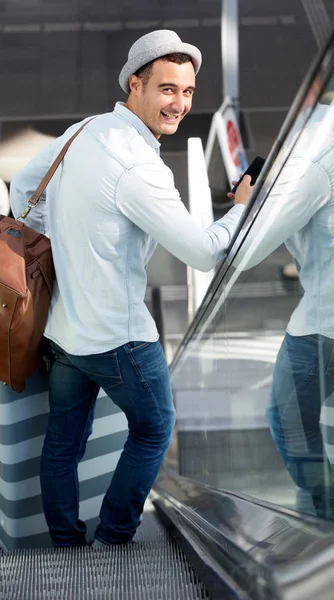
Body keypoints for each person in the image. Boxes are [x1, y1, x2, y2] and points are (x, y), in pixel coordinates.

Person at [10, 29, 249, 548]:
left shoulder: (84, 131)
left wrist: (72, 241)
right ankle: (115, 538)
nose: (180, 104)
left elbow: (25, 188)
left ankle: (66, 546)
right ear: (135, 84)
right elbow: (204, 252)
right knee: (155, 427)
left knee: (62, 445)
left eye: (187, 92)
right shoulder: (141, 167)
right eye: (167, 90)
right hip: (119, 337)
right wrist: (243, 210)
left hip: (65, 332)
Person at [230, 96, 334, 529]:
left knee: (288, 421)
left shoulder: (310, 163)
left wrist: (245, 204)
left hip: (325, 327)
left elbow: (247, 252)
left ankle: (331, 516)